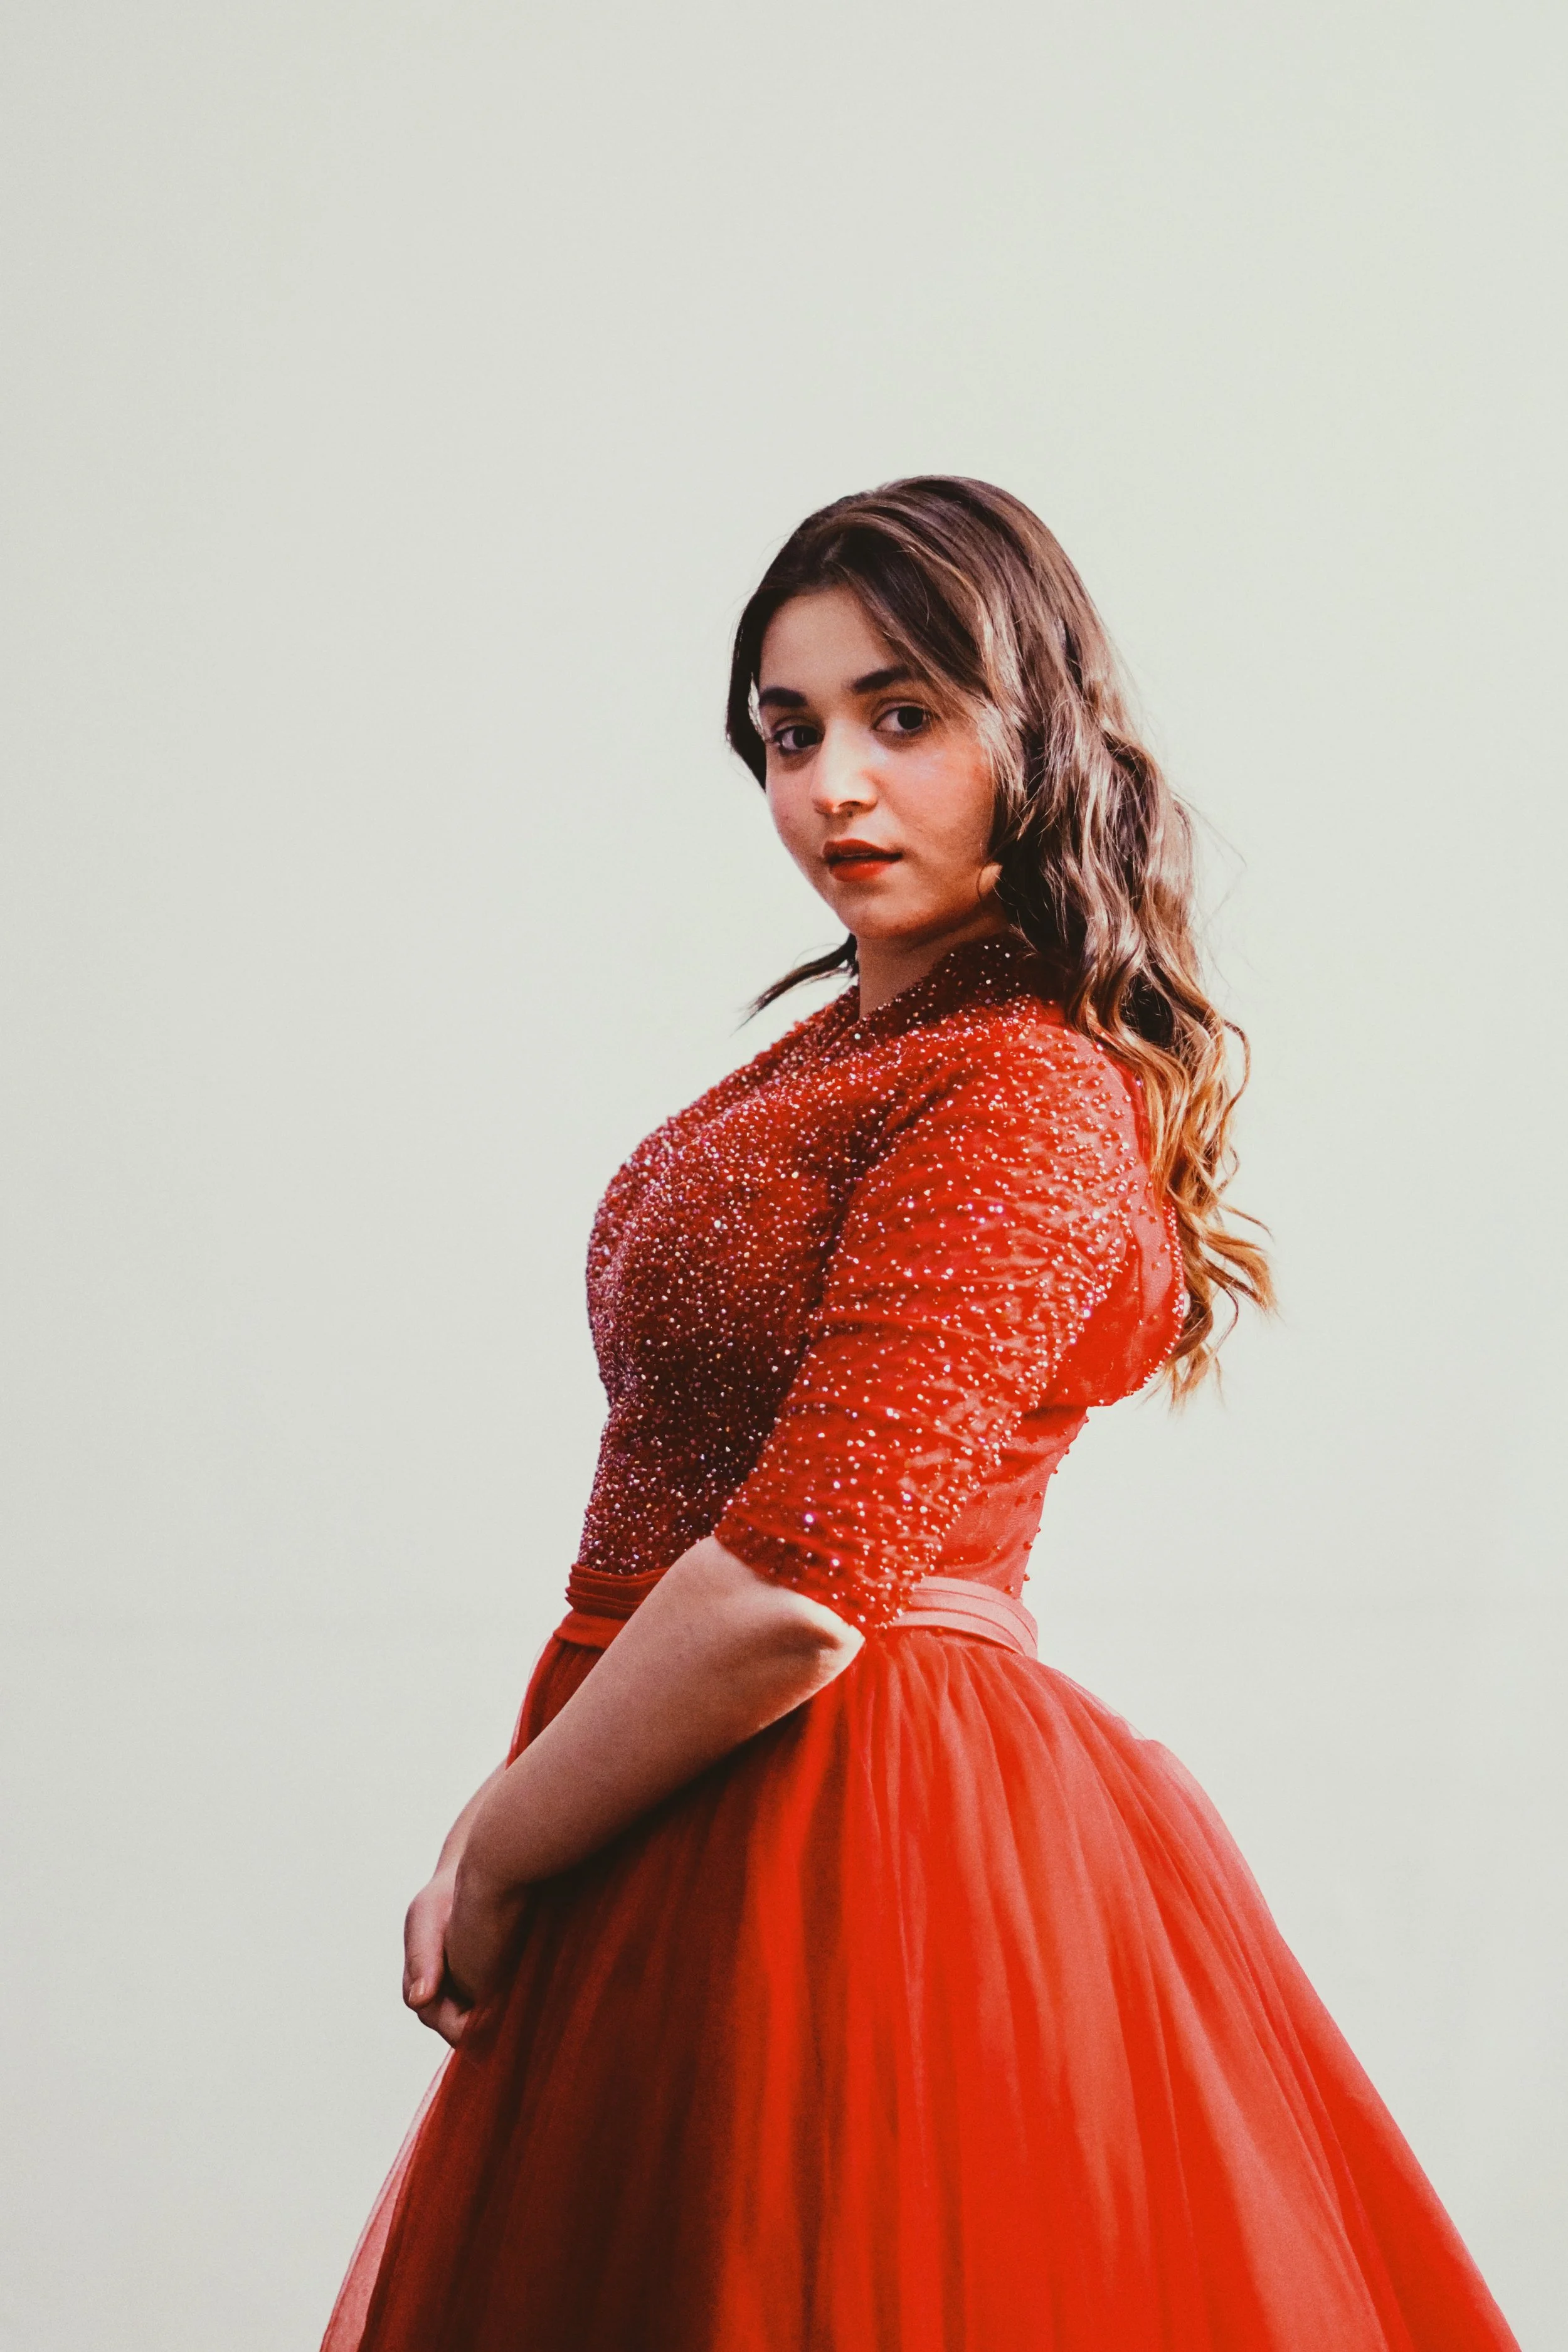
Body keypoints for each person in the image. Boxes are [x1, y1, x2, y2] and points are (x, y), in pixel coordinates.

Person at [320, 479, 1518, 2350]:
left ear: (1031, 730)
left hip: (854, 1830)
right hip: (680, 1809)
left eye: (903, 716)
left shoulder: (1022, 1087)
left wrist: (498, 1840)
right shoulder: (849, 1056)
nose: (832, 791)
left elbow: (805, 1578)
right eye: (787, 736)